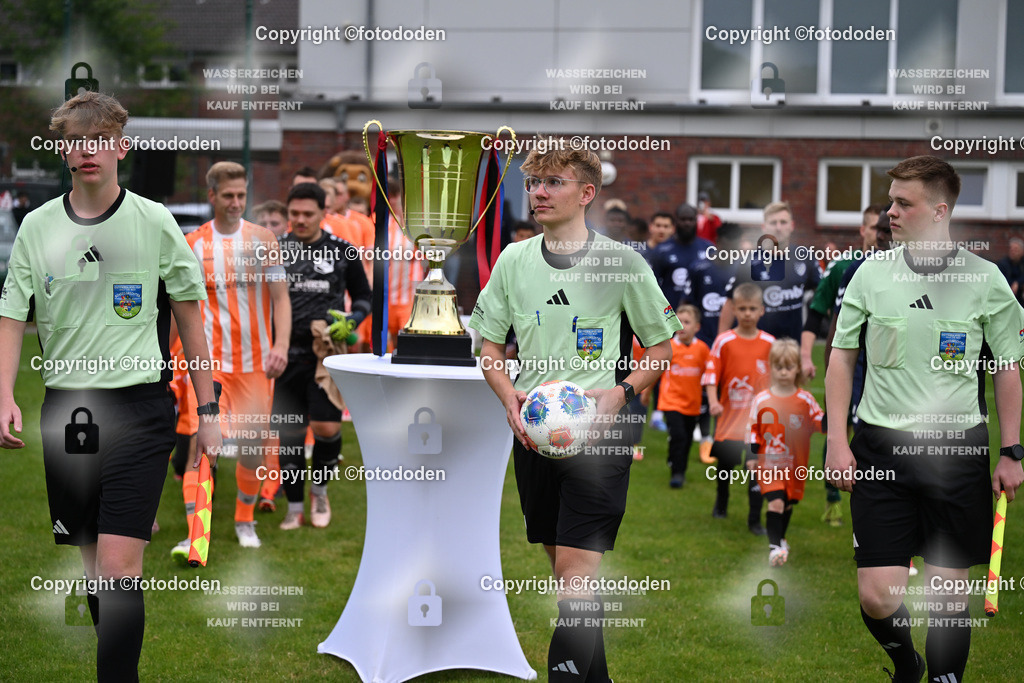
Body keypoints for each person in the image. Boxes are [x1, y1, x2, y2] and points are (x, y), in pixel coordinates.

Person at [0, 91, 221, 681]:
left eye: (100, 139)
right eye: (77, 139)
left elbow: (191, 317)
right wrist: (3, 397)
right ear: (64, 150)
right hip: (67, 413)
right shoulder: (37, 226)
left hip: (140, 410)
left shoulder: (155, 221)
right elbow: (10, 316)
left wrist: (209, 407)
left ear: (121, 147)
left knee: (121, 571)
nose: (88, 150)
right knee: (98, 572)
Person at [469, 143, 678, 682]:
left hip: (600, 440)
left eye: (552, 182)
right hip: (535, 437)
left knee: (574, 582)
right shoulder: (514, 260)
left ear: (587, 193)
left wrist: (618, 395)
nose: (537, 192)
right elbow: (487, 348)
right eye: (533, 182)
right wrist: (507, 395)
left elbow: (660, 352)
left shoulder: (624, 264)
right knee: (568, 580)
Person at [826, 155, 1024, 683]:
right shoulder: (869, 273)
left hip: (956, 453)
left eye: (901, 203)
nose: (889, 212)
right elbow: (841, 358)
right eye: (890, 201)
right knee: (876, 595)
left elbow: (1007, 367)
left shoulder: (986, 280)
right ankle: (906, 662)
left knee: (948, 598)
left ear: (939, 211)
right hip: (879, 449)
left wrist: (1011, 451)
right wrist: (836, 442)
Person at [183, 161, 291, 549]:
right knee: (203, 442)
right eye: (227, 195)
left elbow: (281, 299)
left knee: (251, 449)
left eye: (241, 195)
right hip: (210, 367)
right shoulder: (193, 243)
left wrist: (280, 346)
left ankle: (245, 520)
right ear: (211, 196)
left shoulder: (264, 239)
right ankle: (195, 536)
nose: (235, 202)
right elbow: (184, 309)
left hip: (255, 366)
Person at [274, 182, 371, 530]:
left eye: (307, 214)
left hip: (326, 355)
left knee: (327, 427)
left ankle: (320, 491)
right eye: (294, 214)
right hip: (284, 354)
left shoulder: (343, 250)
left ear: (323, 213)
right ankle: (294, 507)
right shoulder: (275, 250)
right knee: (290, 434)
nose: (300, 220)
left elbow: (363, 296)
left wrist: (353, 320)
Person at [799, 204, 882, 526]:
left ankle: (873, 503)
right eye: (876, 228)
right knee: (838, 426)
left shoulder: (900, 270)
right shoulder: (842, 269)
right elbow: (817, 314)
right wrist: (807, 356)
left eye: (886, 229)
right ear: (863, 230)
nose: (881, 235)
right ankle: (833, 496)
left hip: (881, 365)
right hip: (846, 359)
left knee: (871, 432)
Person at [703, 282, 774, 534]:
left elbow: (779, 378)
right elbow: (711, 374)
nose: (746, 313)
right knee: (725, 468)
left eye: (752, 308)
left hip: (759, 424)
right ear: (733, 309)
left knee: (756, 468)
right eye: (741, 308)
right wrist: (713, 401)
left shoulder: (769, 343)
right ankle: (721, 503)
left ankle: (755, 520)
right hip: (729, 420)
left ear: (761, 311)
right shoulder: (724, 341)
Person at [747, 338, 824, 565]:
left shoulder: (805, 400)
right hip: (768, 464)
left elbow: (821, 422)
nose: (782, 372)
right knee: (776, 501)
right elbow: (752, 430)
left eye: (788, 367)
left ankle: (780, 538)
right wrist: (751, 456)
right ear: (771, 367)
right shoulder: (762, 400)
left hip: (796, 465)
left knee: (788, 503)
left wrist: (838, 412)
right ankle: (774, 548)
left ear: (797, 369)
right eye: (778, 367)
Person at [719, 201, 821, 340]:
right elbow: (731, 301)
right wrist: (720, 341)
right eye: (773, 223)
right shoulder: (749, 263)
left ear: (792, 226)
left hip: (791, 348)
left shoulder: (805, 258)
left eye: (783, 222)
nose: (778, 228)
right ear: (764, 227)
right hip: (755, 346)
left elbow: (821, 296)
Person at [654, 304, 710, 487]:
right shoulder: (668, 347)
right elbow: (654, 371)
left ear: (697, 327)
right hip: (671, 402)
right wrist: (646, 393)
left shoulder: (702, 349)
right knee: (679, 436)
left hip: (693, 404)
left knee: (686, 440)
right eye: (678, 321)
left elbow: (709, 373)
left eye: (687, 322)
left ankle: (680, 467)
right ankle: (676, 474)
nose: (682, 326)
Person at [649, 203, 713, 310]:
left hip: (700, 315)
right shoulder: (662, 250)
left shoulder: (708, 248)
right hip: (669, 314)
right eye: (683, 219)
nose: (687, 223)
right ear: (676, 222)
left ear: (696, 221)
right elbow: (651, 286)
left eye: (690, 219)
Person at [996, 236, 1024, 305]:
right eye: (1011, 249)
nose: (1012, 251)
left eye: (1016, 249)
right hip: (1007, 297)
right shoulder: (1002, 264)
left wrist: (1017, 282)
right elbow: (1002, 281)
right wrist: (1015, 283)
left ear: (1022, 252)